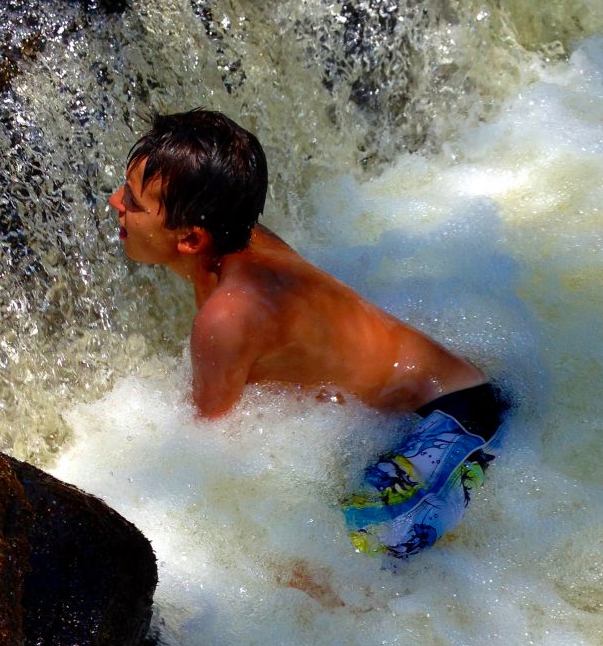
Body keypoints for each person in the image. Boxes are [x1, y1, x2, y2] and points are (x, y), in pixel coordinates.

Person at [108, 109, 510, 559]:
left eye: (133, 202)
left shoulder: (226, 316)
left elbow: (206, 444)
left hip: (454, 427)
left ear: (191, 240)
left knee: (332, 576)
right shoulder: (242, 235)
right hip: (453, 399)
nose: (114, 201)